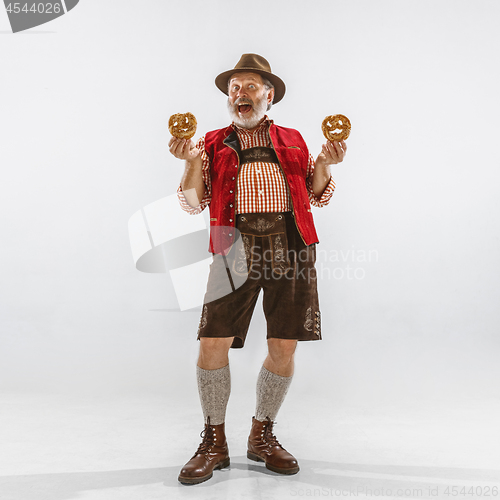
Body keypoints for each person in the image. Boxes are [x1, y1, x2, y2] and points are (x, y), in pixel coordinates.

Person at [168, 53, 347, 485]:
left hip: (293, 248)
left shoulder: (295, 139)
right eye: (234, 88)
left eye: (249, 86)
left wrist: (325, 164)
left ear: (269, 94)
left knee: (284, 344)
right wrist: (189, 162)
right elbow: (192, 203)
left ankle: (261, 434)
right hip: (233, 250)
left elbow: (317, 195)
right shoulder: (209, 142)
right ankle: (214, 440)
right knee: (213, 342)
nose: (239, 94)